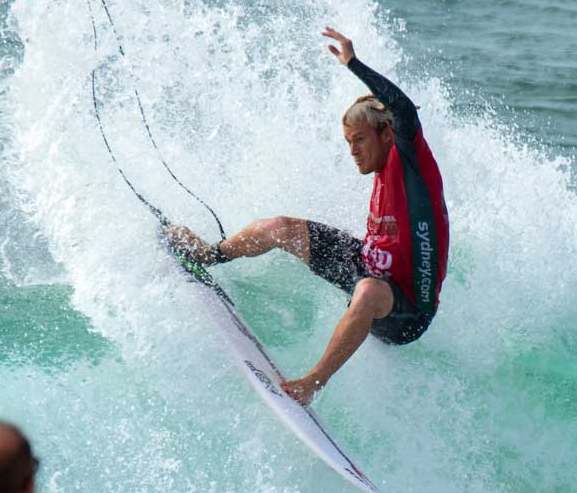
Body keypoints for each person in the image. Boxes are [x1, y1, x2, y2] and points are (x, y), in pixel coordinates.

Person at [167, 27, 449, 404]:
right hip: (367, 266)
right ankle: (209, 254)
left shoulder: (410, 161)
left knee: (366, 293)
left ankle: (312, 383)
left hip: (405, 311)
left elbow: (401, 108)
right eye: (349, 143)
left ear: (385, 135)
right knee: (280, 227)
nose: (353, 152)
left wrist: (354, 64)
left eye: (359, 140)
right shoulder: (381, 170)